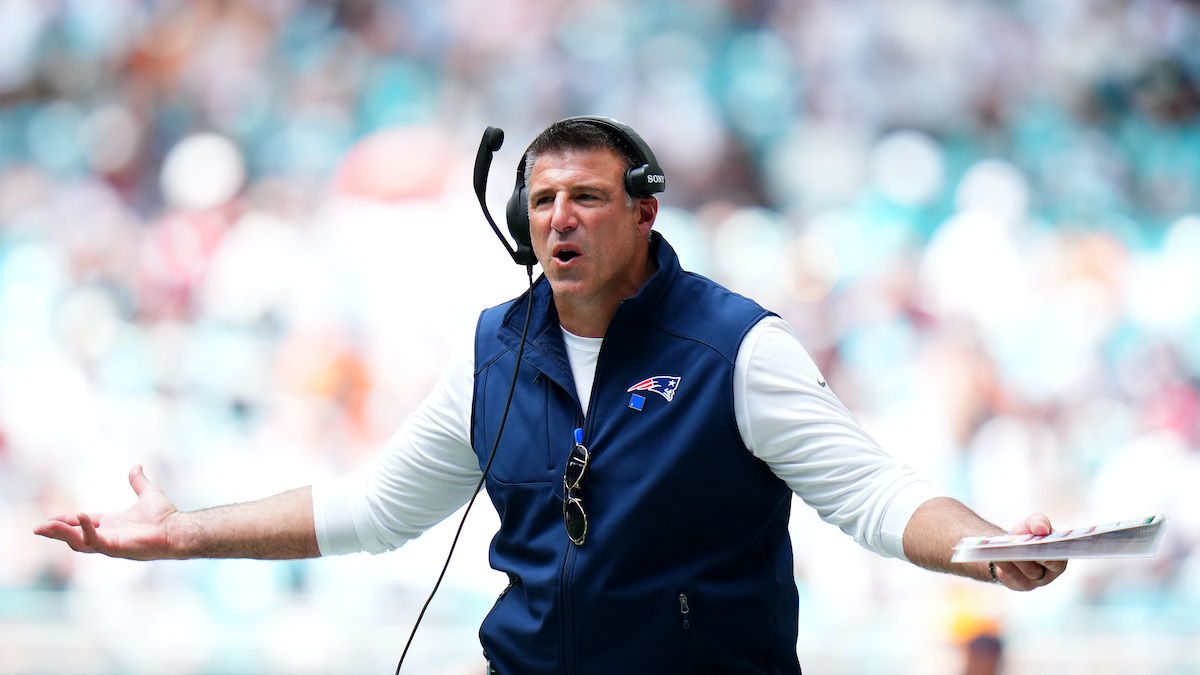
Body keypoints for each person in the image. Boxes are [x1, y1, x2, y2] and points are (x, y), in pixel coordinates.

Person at [35, 116, 1067, 674]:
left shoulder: (737, 349)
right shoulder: (492, 353)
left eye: (586, 196)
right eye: (540, 201)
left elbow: (874, 495)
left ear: (646, 212)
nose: (559, 218)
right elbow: (373, 508)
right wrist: (184, 534)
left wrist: (981, 547)